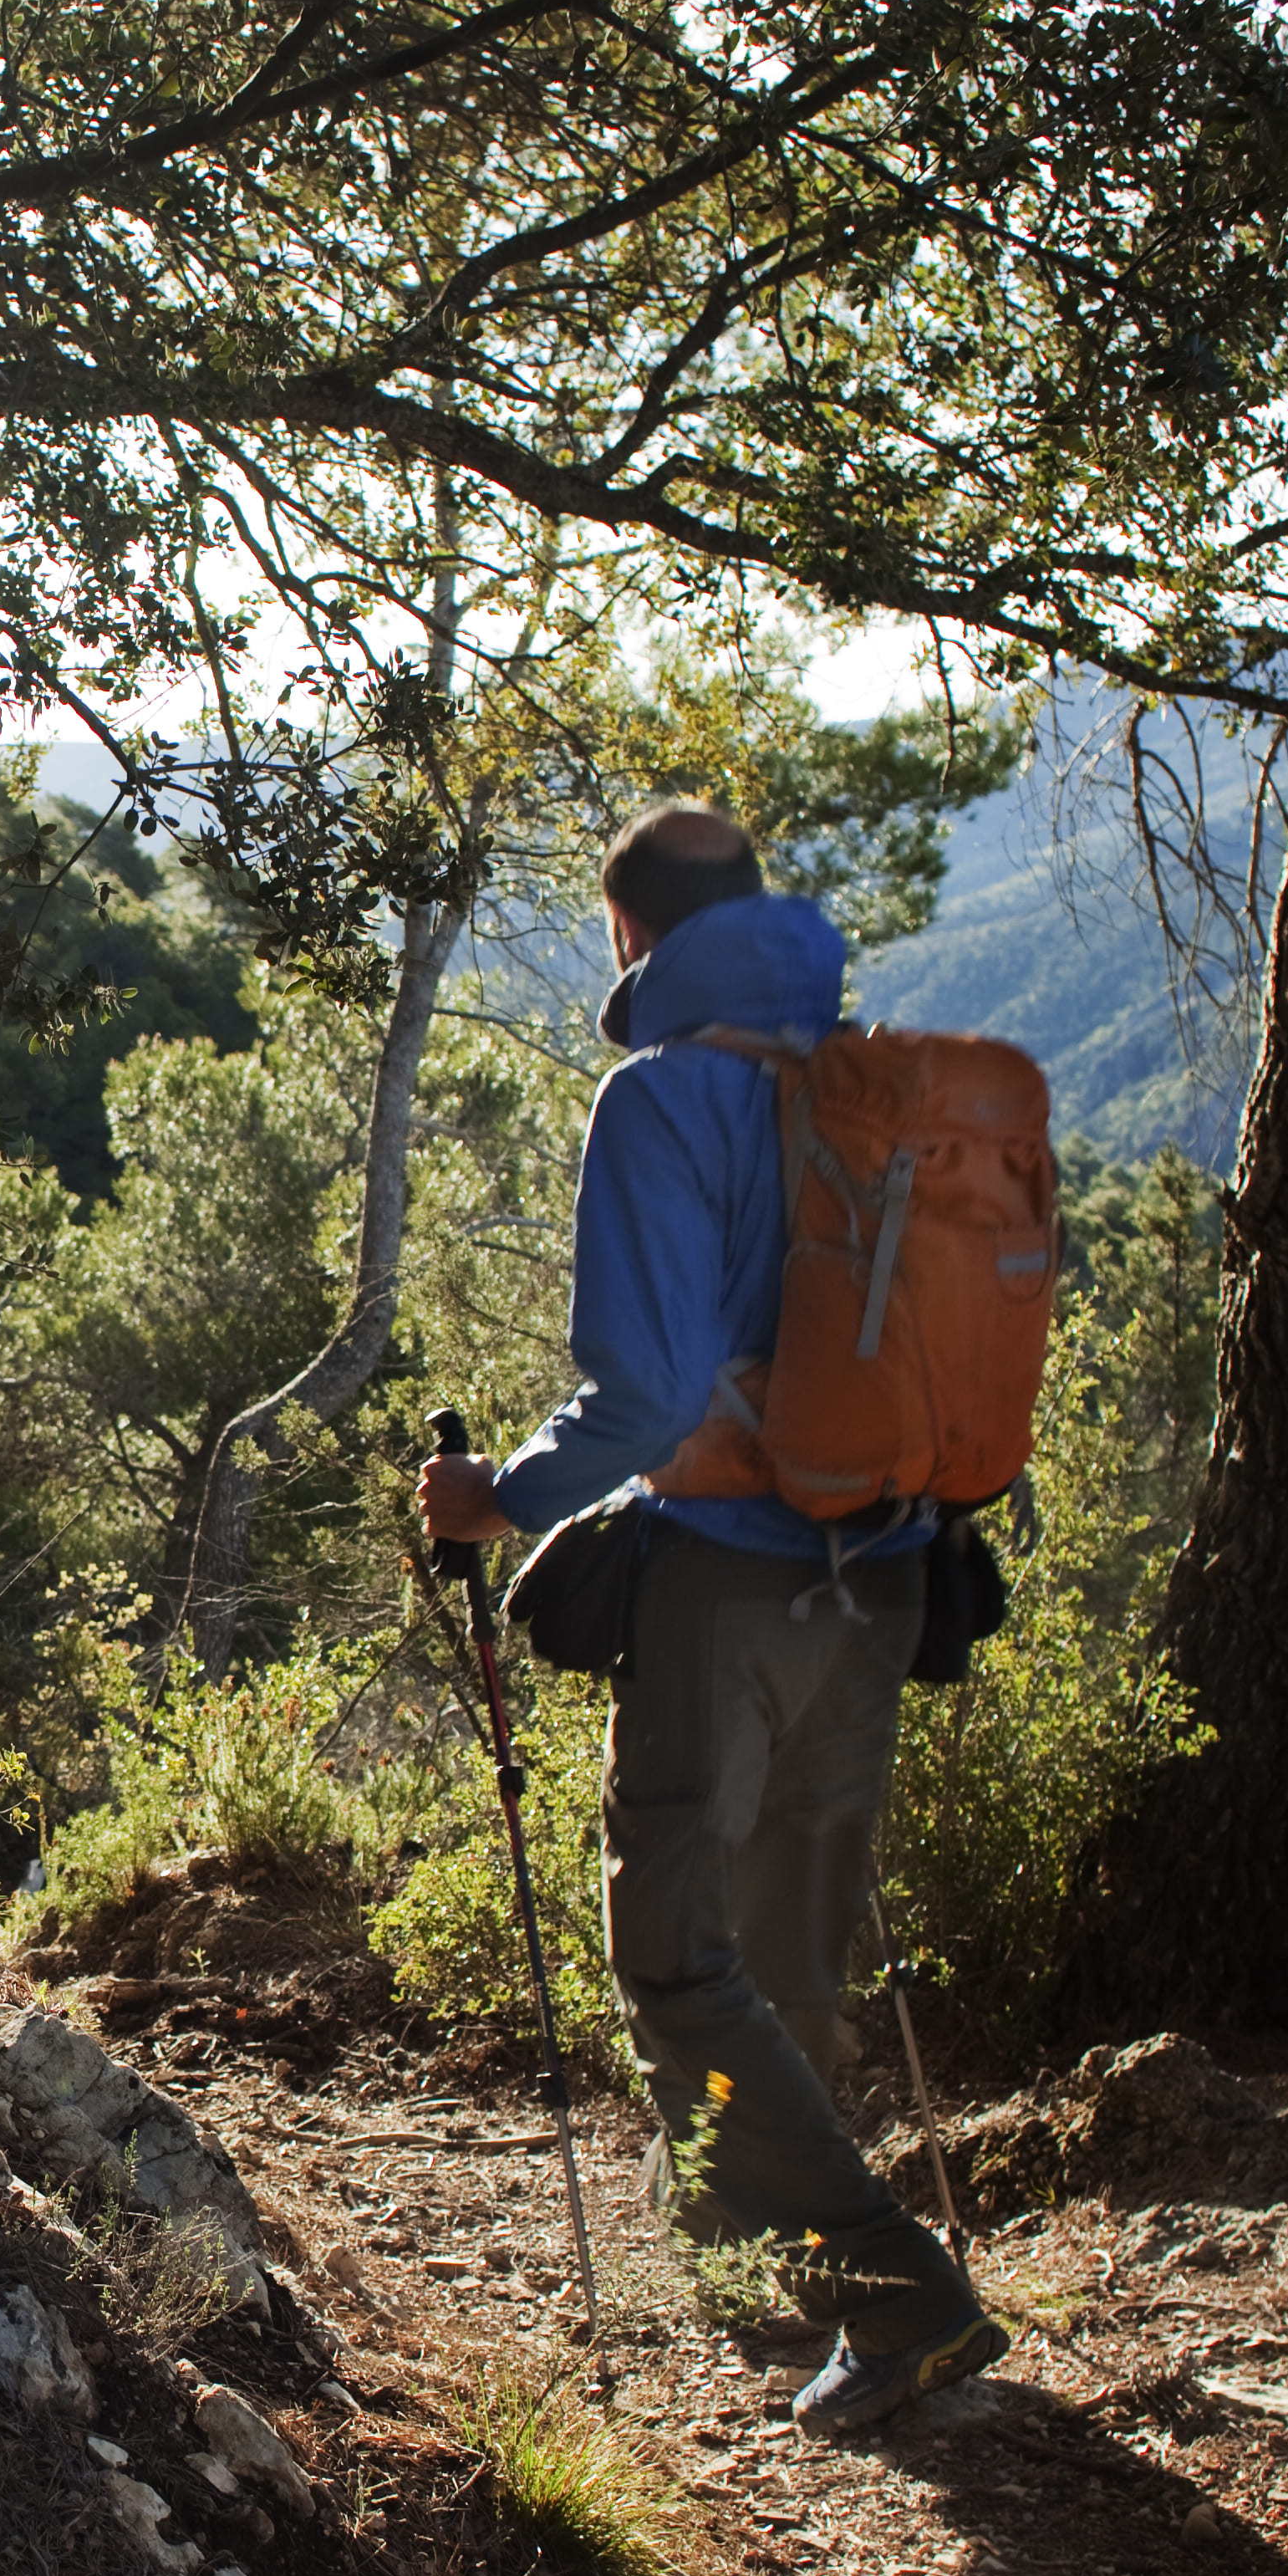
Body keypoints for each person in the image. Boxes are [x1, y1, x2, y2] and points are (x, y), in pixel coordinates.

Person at [416, 802, 1006, 2438]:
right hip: (889, 1567)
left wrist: (498, 1500)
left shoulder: (665, 1097)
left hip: (732, 1571)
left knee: (676, 1952)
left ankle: (890, 2292)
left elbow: (650, 1393)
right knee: (785, 1934)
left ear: (631, 935)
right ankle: (789, 2279)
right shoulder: (880, 1089)